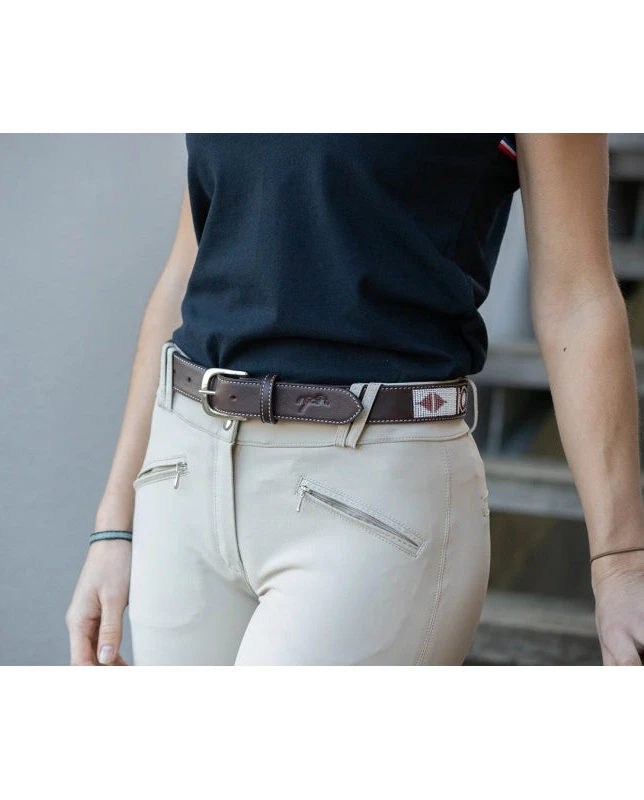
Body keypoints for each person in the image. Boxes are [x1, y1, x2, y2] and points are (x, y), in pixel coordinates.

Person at [65, 133, 644, 666]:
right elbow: (187, 270)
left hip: (372, 499)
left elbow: (578, 296)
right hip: (183, 479)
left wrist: (619, 562)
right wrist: (114, 524)